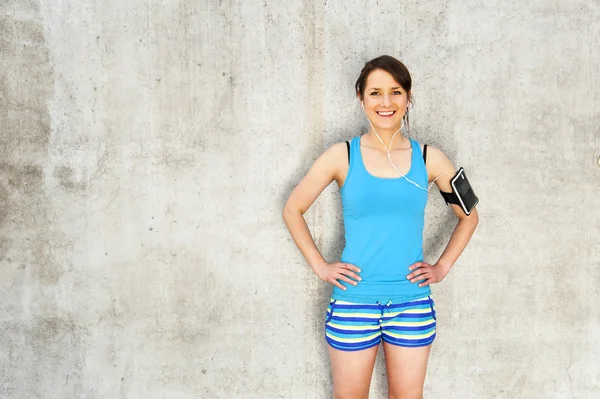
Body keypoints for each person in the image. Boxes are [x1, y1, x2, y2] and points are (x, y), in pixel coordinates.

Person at [282, 55, 479, 399]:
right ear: (361, 97)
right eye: (375, 93)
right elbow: (292, 209)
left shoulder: (429, 158)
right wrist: (320, 266)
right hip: (353, 303)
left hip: (411, 305)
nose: (385, 102)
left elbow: (469, 215)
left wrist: (442, 266)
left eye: (395, 92)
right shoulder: (341, 155)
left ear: (408, 97)